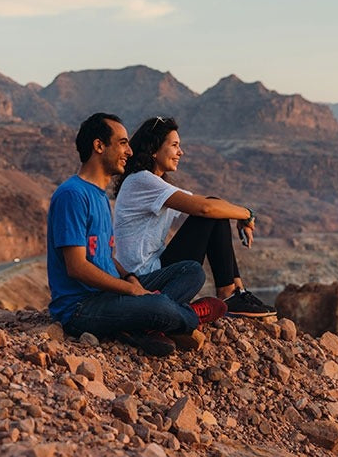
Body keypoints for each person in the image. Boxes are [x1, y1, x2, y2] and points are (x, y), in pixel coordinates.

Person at [47, 112, 226, 357]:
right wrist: (130, 291)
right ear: (99, 146)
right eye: (122, 143)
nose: (130, 152)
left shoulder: (100, 196)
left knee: (192, 271)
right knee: (159, 304)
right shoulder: (72, 195)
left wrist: (130, 277)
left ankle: (141, 325)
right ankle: (188, 316)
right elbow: (76, 267)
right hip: (81, 308)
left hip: (111, 293)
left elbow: (104, 256)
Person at [113, 116, 276, 318]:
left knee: (216, 210)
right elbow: (205, 209)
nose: (180, 152)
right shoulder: (142, 180)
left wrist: (236, 213)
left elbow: (211, 204)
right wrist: (247, 214)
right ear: (154, 150)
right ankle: (228, 294)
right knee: (211, 212)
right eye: (174, 145)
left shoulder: (153, 183)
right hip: (139, 279)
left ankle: (236, 292)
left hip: (150, 270)